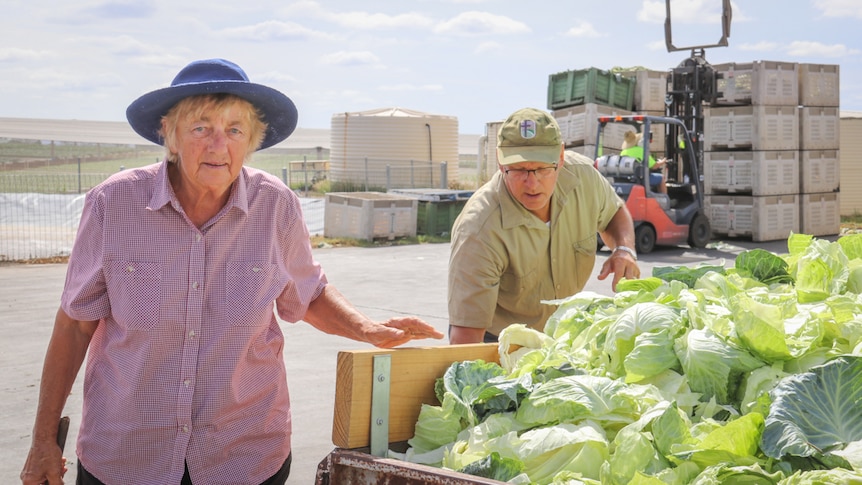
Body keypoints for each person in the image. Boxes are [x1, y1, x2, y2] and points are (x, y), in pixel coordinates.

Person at [20, 58, 443, 485]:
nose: (219, 145)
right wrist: (42, 439)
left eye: (235, 130)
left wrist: (367, 328)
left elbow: (307, 292)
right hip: (128, 454)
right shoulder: (114, 204)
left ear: (252, 141)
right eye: (201, 128)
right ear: (169, 134)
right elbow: (76, 325)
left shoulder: (275, 205)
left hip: (243, 454)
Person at [448, 107, 640, 345]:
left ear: (560, 157)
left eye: (542, 168)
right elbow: (466, 338)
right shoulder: (478, 229)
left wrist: (624, 249)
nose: (532, 183)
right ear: (500, 161)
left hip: (563, 336)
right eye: (518, 170)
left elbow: (614, 211)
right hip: (500, 344)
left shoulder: (583, 178)